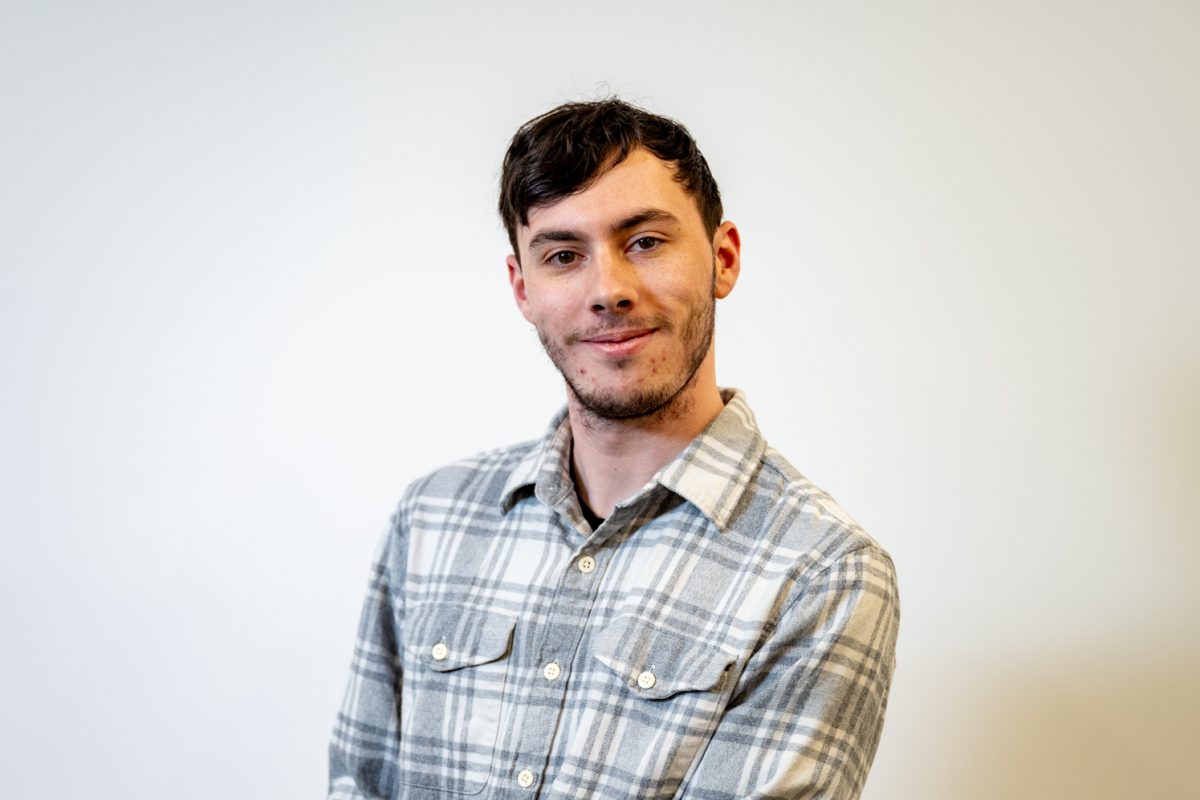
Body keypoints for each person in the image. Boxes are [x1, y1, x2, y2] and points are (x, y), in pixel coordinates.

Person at [328, 98, 899, 800]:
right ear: (523, 288)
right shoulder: (433, 518)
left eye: (646, 242)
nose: (609, 291)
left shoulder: (823, 573)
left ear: (723, 259)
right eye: (564, 256)